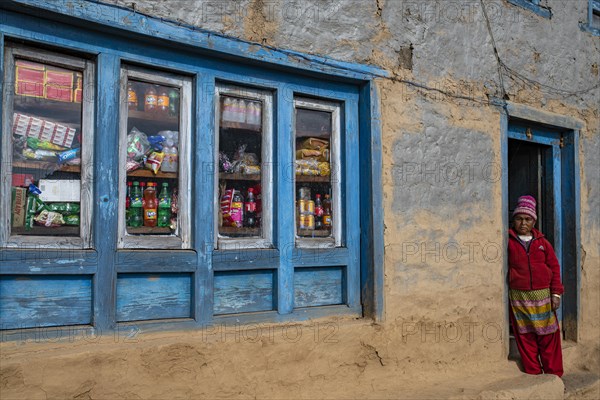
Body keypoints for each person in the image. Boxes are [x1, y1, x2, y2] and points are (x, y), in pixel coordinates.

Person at [508, 195, 564, 377]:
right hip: (519, 298)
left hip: (543, 298)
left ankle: (554, 375)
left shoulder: (543, 244)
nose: (523, 223)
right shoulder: (508, 242)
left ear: (534, 221)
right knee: (525, 336)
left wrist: (556, 294)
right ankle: (534, 374)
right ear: (513, 220)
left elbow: (555, 268)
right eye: (519, 218)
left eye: (527, 219)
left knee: (548, 336)